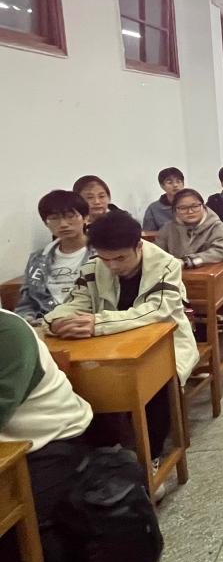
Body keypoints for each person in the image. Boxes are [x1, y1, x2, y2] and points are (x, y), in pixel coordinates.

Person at [44, 212, 199, 495]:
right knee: (80, 382)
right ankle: (107, 455)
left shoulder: (165, 264)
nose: (113, 266)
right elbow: (75, 302)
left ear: (138, 246)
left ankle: (151, 457)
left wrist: (98, 323)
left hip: (164, 342)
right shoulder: (94, 266)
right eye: (106, 259)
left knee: (158, 383)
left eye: (120, 258)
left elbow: (156, 311)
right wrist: (56, 321)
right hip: (110, 344)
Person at [0, 310, 93, 562]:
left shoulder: (8, 332)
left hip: (50, 443)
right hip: (9, 450)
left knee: (18, 538)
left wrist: (98, 322)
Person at [16, 190, 93, 325]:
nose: (63, 224)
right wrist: (29, 322)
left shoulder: (102, 253)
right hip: (45, 323)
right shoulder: (37, 259)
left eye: (70, 216)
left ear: (86, 218)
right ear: (46, 223)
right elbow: (27, 304)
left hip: (87, 320)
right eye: (54, 218)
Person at [156, 189, 223, 290]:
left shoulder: (216, 226)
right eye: (183, 208)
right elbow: (157, 254)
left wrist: (188, 262)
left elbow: (220, 252)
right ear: (175, 210)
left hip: (215, 279)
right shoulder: (168, 228)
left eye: (195, 206)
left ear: (203, 206)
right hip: (177, 279)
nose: (190, 211)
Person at [142, 167, 185, 232]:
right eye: (170, 182)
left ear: (183, 184)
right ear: (162, 186)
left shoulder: (193, 204)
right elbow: (148, 233)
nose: (175, 185)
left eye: (178, 181)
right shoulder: (153, 208)